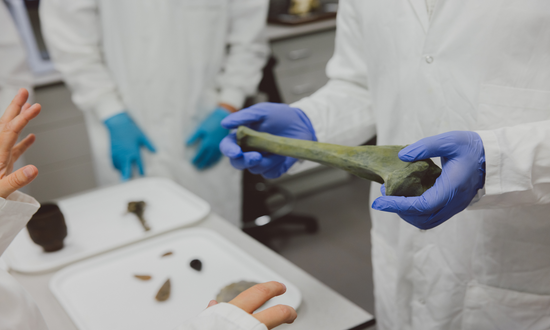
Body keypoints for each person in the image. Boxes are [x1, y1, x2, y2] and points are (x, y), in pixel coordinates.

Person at [220, 0, 550, 329]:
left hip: (521, 254)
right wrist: (313, 123)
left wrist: (500, 160)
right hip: (400, 249)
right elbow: (363, 82)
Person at [0, 90, 297, 330]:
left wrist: (229, 98)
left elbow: (249, 43)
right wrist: (111, 112)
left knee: (220, 233)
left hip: (201, 113)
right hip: (129, 112)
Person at [39, 0, 270, 226]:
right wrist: (110, 111)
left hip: (204, 120)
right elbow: (71, 44)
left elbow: (249, 40)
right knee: (139, 237)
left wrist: (229, 104)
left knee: (214, 236)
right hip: (126, 120)